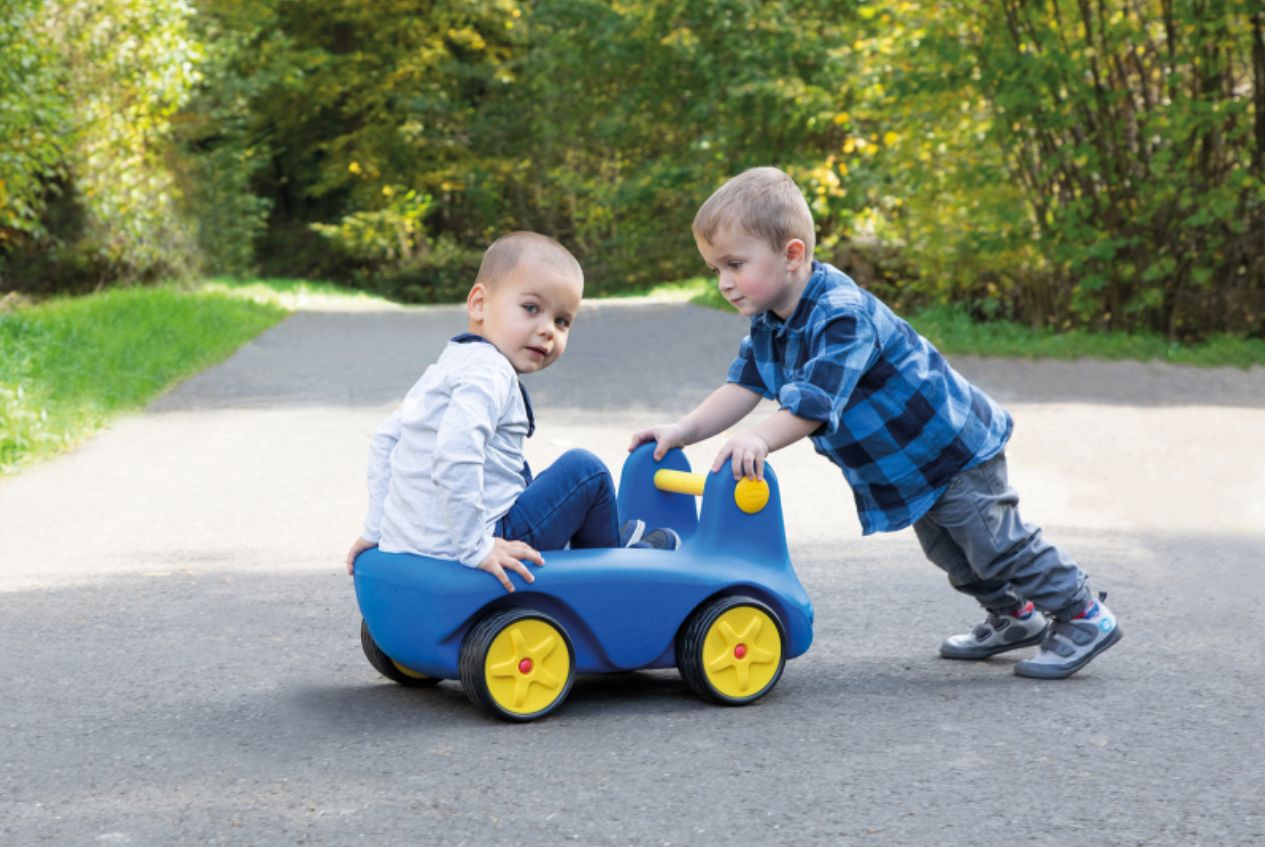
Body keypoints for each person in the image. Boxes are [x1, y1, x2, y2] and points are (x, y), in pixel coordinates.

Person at [629, 167, 1121, 679]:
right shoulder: (769, 322)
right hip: (907, 464)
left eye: (734, 264)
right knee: (949, 552)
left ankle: (1084, 614)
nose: (724, 282)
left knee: (996, 545)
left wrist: (758, 436)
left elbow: (813, 403)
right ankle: (1015, 616)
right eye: (714, 269)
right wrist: (683, 432)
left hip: (950, 446)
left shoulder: (842, 315)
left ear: (792, 255)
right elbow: (742, 386)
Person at [348, 231, 677, 593]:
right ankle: (612, 560)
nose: (547, 330)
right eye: (531, 308)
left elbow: (386, 439)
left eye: (562, 321)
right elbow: (455, 455)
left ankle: (600, 534)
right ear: (478, 304)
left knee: (525, 477)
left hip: (414, 541)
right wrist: (477, 547)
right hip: (477, 538)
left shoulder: (448, 364)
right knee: (586, 471)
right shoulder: (490, 372)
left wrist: (377, 529)